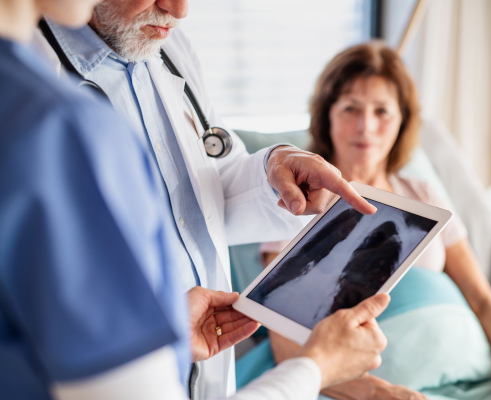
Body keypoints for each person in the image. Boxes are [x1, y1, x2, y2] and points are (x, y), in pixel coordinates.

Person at [0, 0, 391, 398]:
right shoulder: (55, 120)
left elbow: (198, 190)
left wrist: (274, 169)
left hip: (196, 345)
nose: (179, 10)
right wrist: (314, 369)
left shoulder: (169, 48)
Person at [260, 41, 491, 400]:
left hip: (469, 369)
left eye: (382, 111)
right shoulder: (297, 198)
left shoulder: (424, 194)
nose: (366, 126)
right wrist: (381, 393)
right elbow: (284, 341)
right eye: (351, 108)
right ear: (327, 115)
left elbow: (484, 299)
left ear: (402, 121)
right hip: (361, 385)